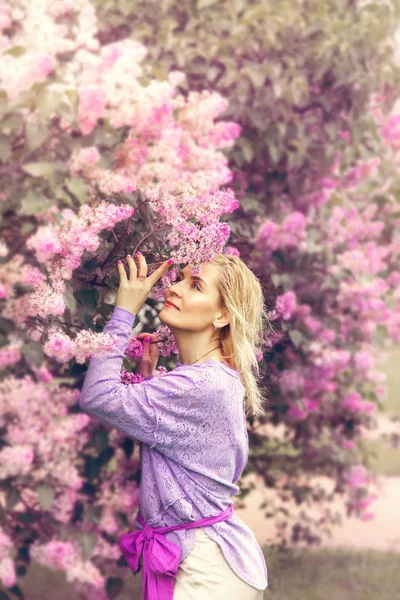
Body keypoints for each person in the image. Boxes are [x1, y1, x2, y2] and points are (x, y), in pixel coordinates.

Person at [79, 251, 270, 600]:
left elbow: (97, 396)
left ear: (222, 315)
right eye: (180, 278)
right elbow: (180, 455)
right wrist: (147, 381)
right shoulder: (206, 379)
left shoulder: (200, 386)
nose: (175, 289)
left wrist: (124, 312)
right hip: (204, 562)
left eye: (195, 285)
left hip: (208, 572)